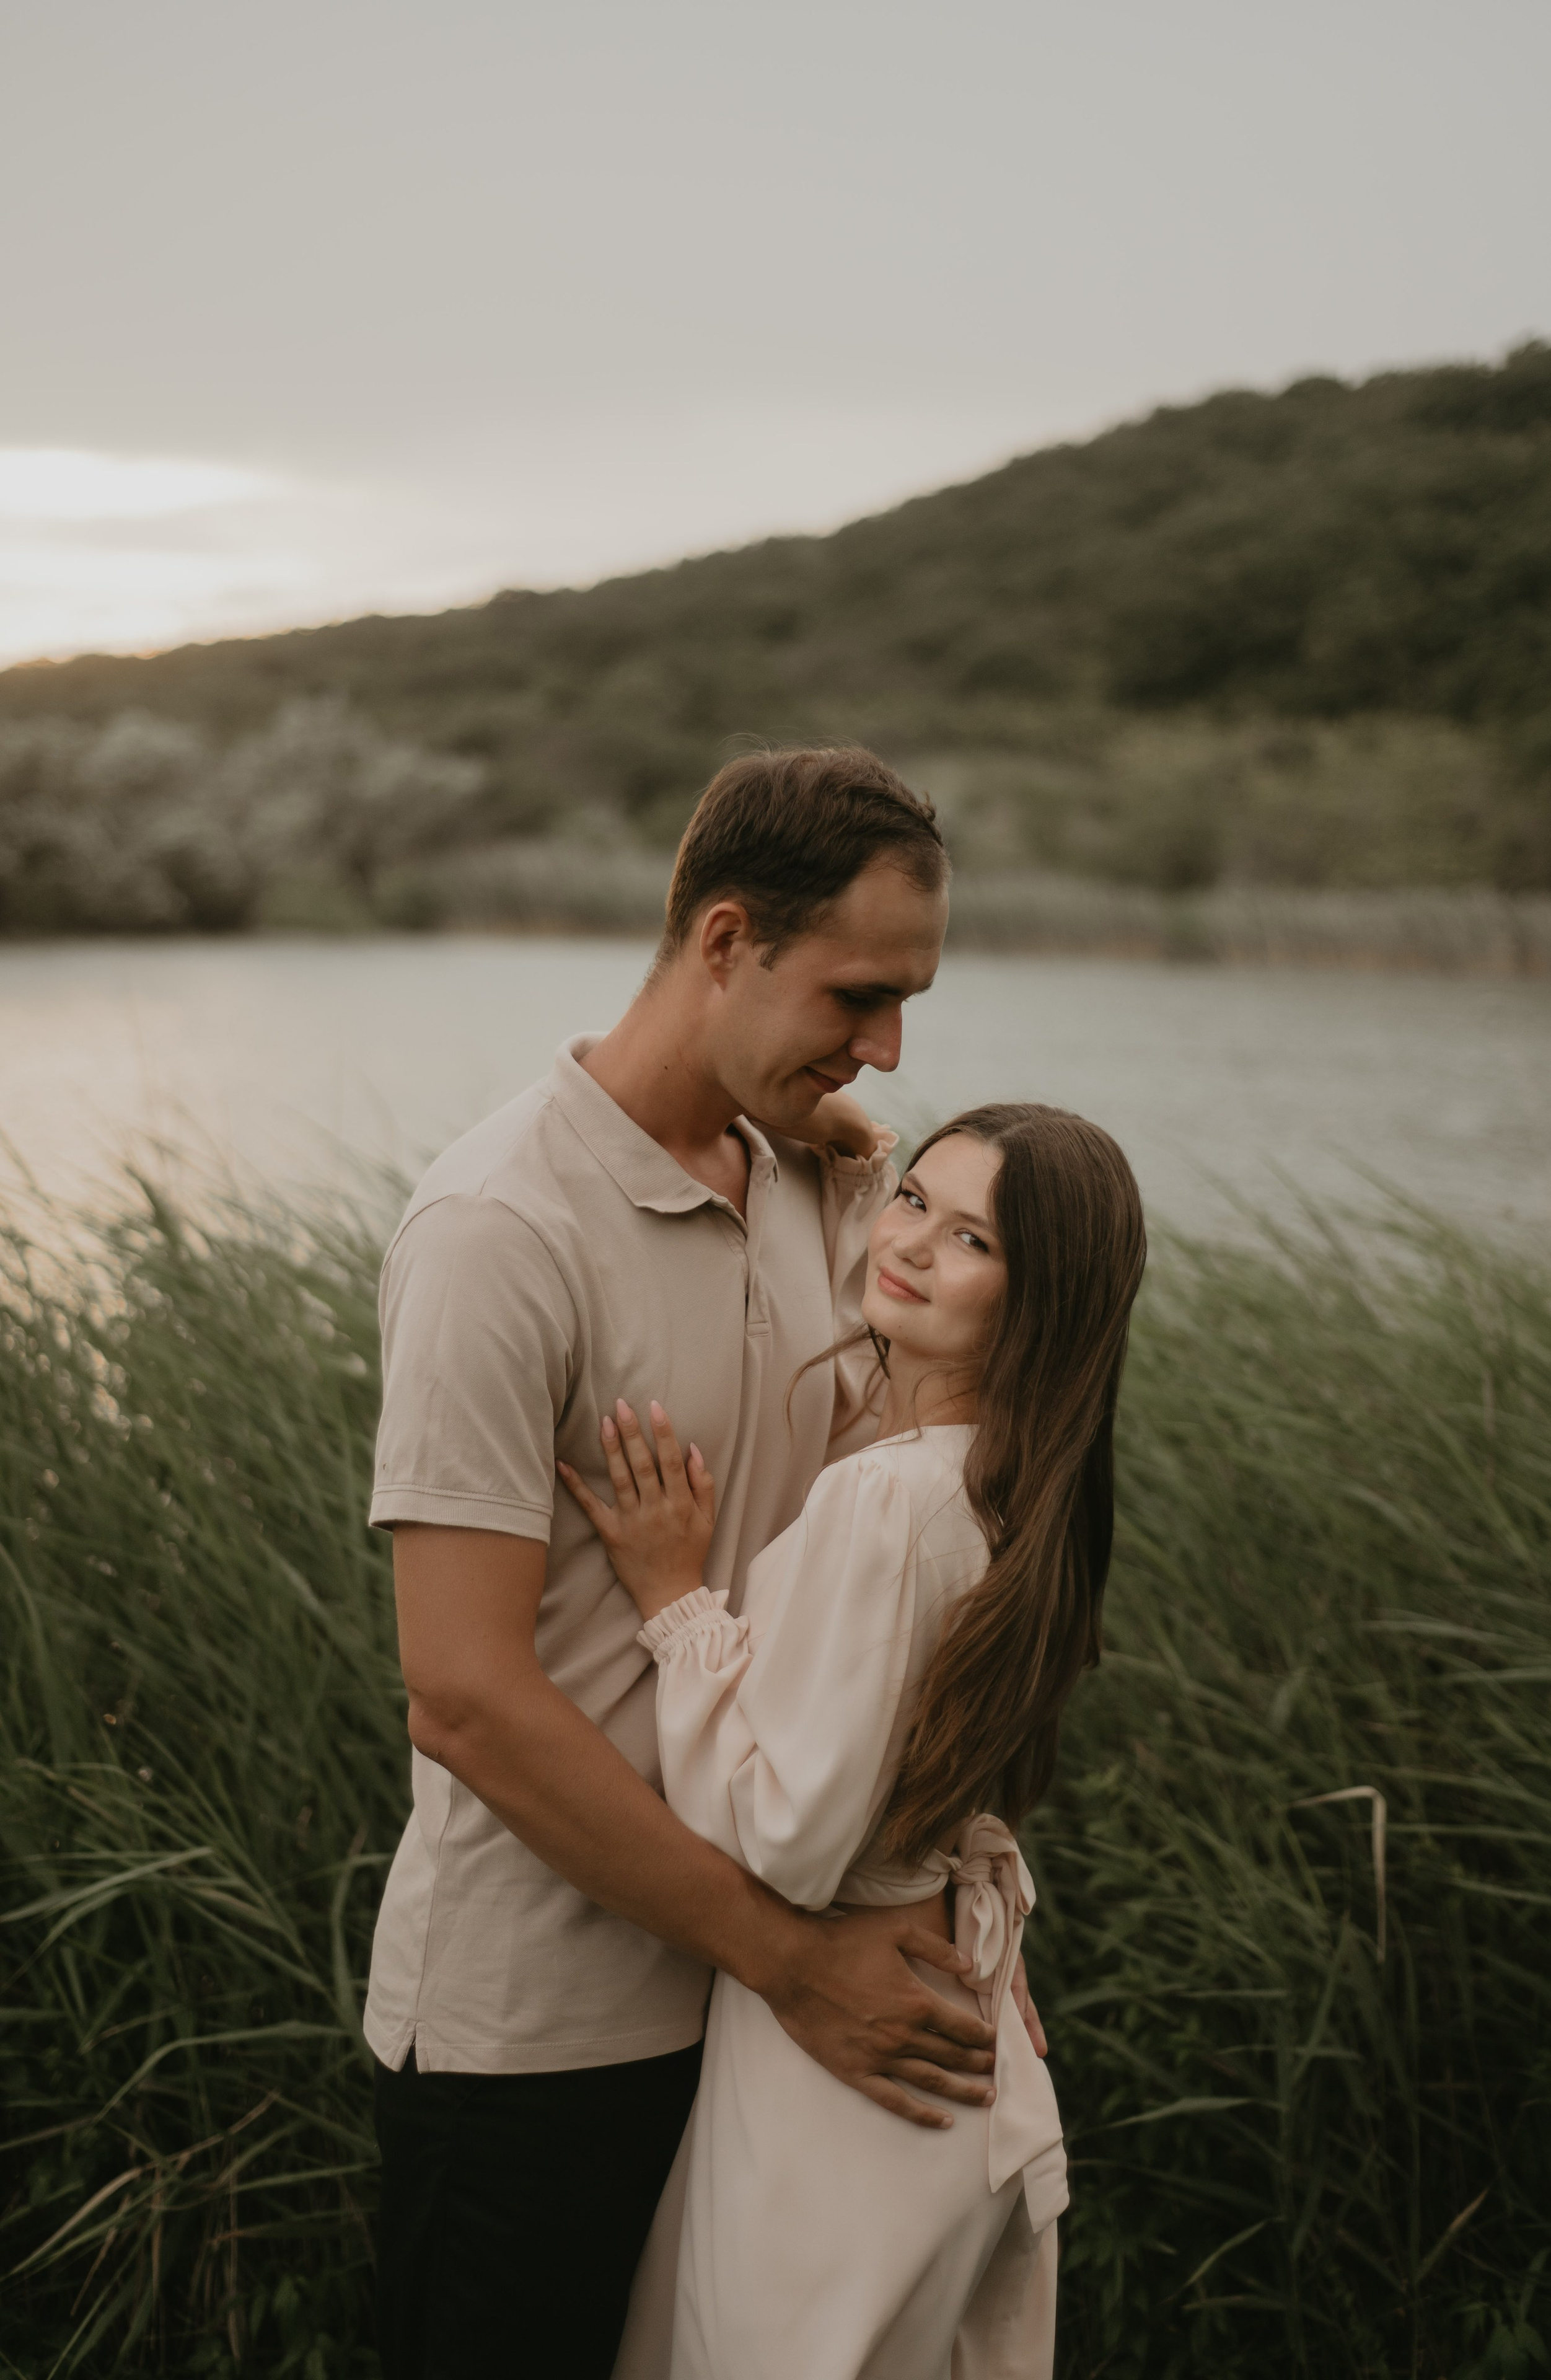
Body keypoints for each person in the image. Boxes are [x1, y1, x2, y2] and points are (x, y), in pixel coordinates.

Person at [364, 748, 1013, 2379]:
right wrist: (792, 1960)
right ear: (725, 943)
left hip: (750, 2031)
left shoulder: (824, 1180)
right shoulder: (499, 1234)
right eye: (861, 995)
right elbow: (465, 1701)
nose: (890, 1047)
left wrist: (855, 1152)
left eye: (910, 1001)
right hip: (545, 2039)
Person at [561, 1102, 1147, 2379]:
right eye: (912, 1202)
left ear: (1036, 1301)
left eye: (973, 1238)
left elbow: (783, 1839)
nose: (914, 1245)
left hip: (843, 2089)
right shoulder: (1005, 1483)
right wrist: (846, 1170)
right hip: (935, 2063)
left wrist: (677, 1605)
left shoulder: (889, 1504)